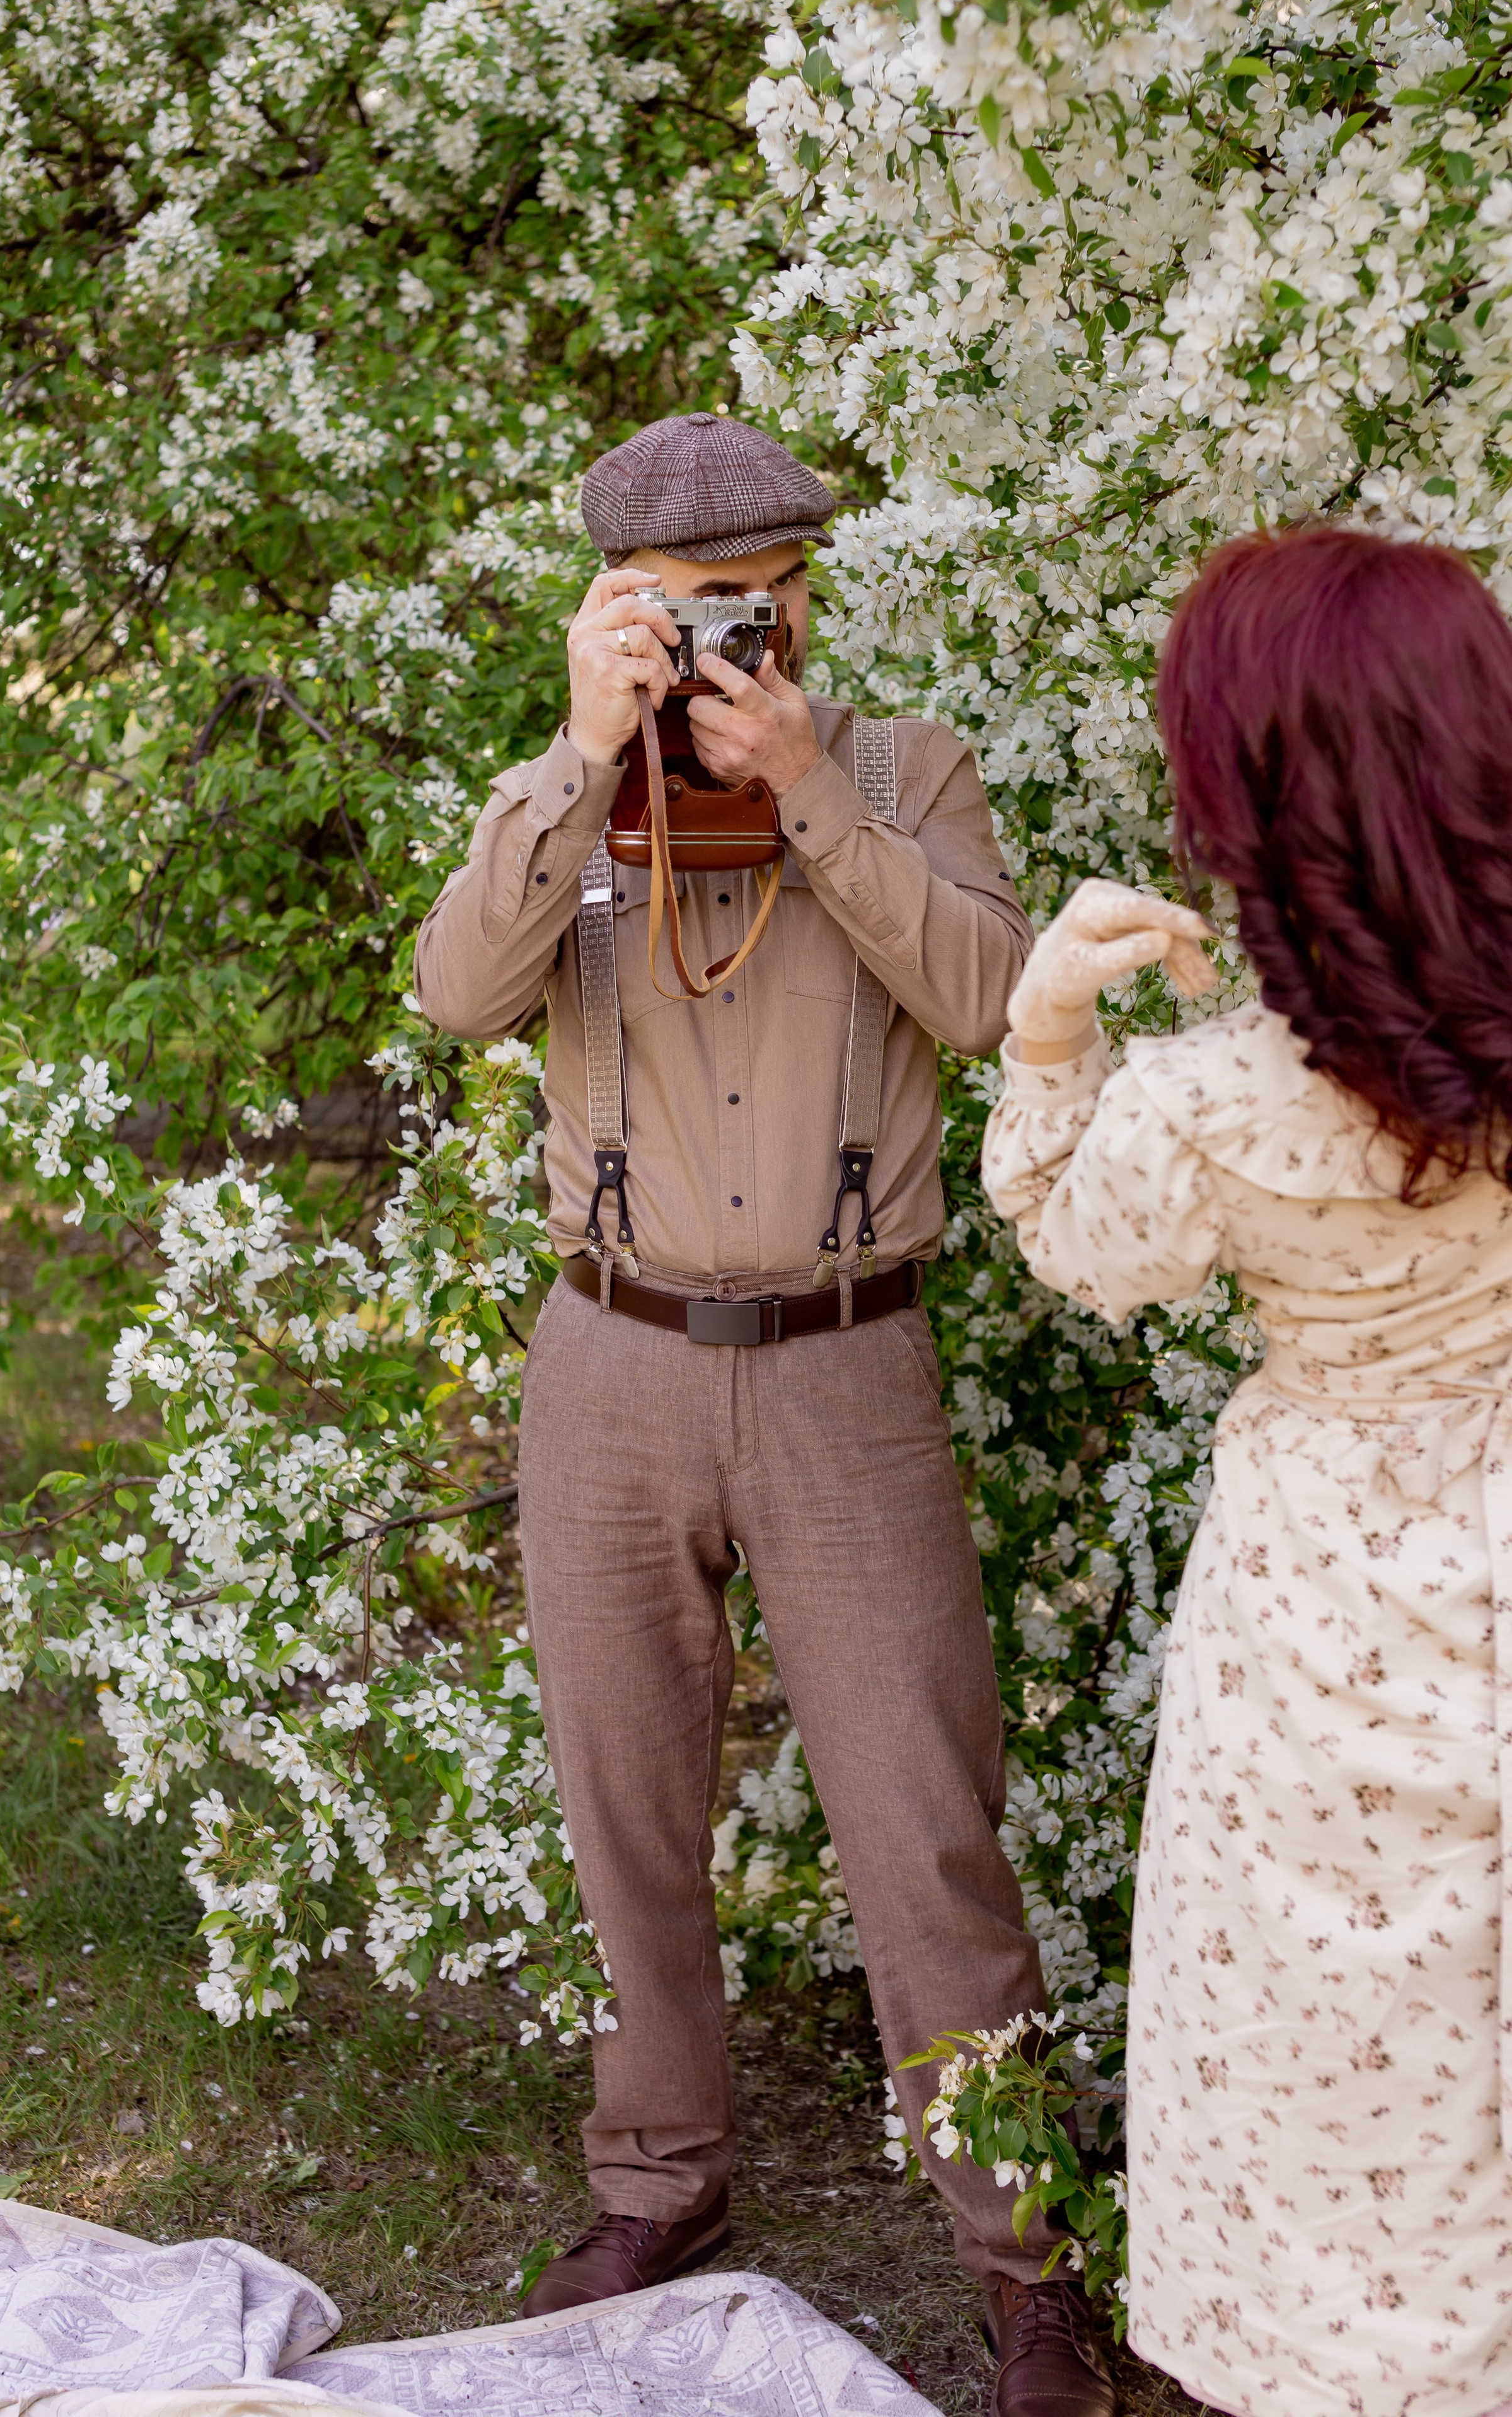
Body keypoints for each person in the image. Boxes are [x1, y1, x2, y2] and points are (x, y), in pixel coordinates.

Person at [416, 412, 1119, 2415]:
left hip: (845, 1362)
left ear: (809, 588)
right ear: (617, 605)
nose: (737, 631)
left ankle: (1026, 2252)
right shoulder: (554, 796)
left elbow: (997, 1004)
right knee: (626, 1800)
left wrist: (811, 793)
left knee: (925, 1828)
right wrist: (580, 748)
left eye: (763, 594)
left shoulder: (904, 773)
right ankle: (661, 2179)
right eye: (688, 601)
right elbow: (461, 997)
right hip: (612, 1363)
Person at [981, 522, 1512, 2417]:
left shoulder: (1214, 1101)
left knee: (1339, 2031)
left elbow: (1068, 1235)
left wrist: (1049, 1028)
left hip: (1329, 1590)